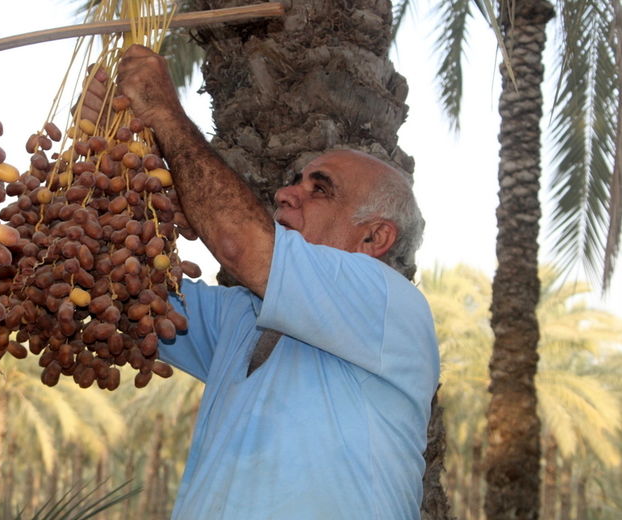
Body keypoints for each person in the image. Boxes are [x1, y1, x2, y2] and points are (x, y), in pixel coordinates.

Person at [84, 45, 440, 519]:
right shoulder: (243, 314)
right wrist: (102, 144)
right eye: (297, 181)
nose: (286, 193)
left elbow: (239, 244)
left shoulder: (390, 305)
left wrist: (164, 115)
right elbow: (115, 286)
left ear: (375, 237)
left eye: (320, 188)